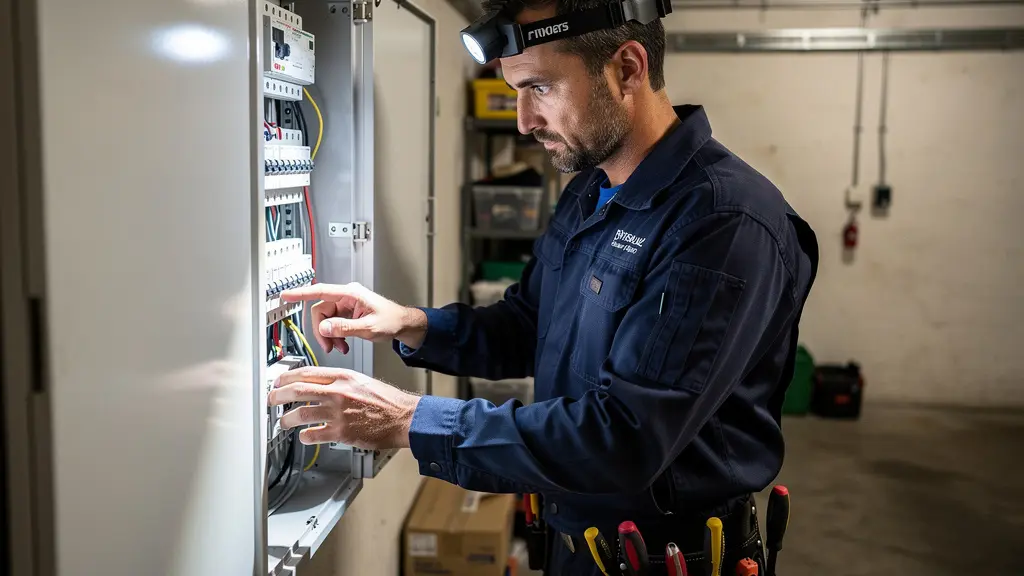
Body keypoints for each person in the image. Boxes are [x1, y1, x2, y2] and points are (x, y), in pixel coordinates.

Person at [269, 0, 818, 572]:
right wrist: (412, 323)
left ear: (627, 69)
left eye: (541, 88)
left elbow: (625, 439)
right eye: (514, 92)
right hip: (574, 537)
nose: (524, 122)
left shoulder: (724, 223)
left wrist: (409, 420)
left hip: (664, 554)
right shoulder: (590, 189)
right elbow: (533, 324)